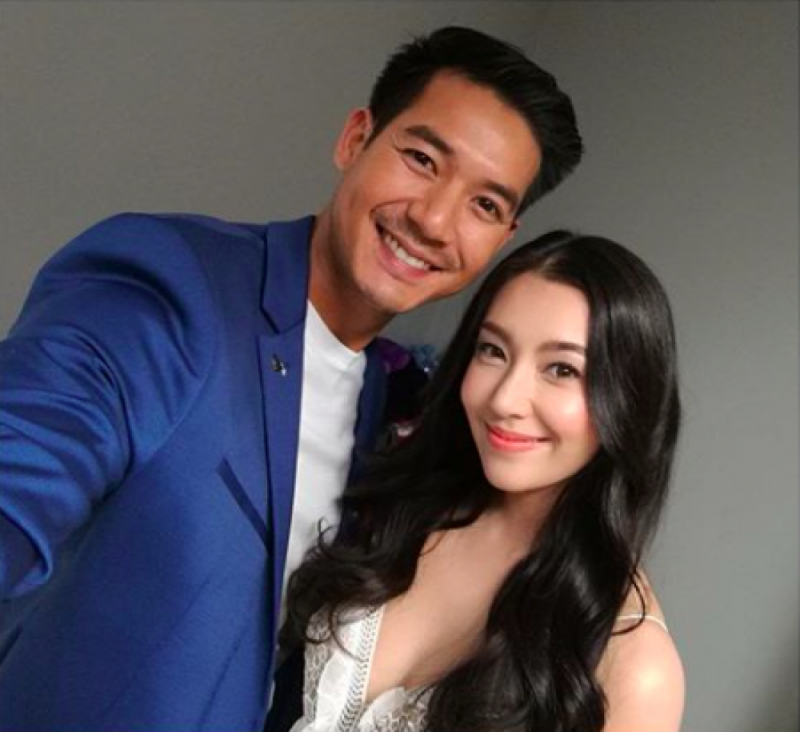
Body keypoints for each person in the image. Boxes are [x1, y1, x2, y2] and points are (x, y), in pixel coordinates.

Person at [0, 26, 583, 732]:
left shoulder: (394, 408)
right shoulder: (173, 286)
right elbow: (25, 467)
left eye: (484, 205)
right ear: (355, 139)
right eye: (423, 159)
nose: (434, 220)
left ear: (503, 238)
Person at [280, 230, 685, 732]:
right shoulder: (406, 504)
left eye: (562, 369)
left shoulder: (636, 670)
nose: (505, 399)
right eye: (493, 350)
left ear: (628, 399)